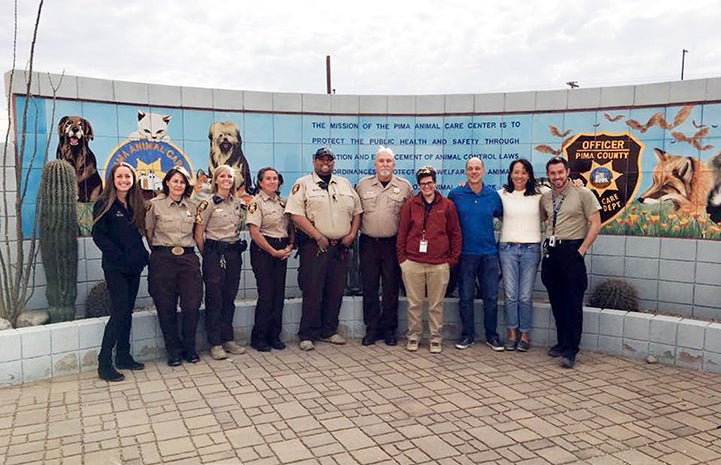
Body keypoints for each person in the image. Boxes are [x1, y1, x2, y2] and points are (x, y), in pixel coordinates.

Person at [284, 147, 362, 351]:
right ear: (314, 161)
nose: (325, 163)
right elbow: (295, 214)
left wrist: (352, 234)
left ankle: (329, 330)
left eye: (329, 159)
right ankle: (307, 334)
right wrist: (317, 235)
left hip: (341, 247)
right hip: (315, 246)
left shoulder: (344, 183)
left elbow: (357, 212)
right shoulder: (303, 184)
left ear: (333, 162)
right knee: (312, 290)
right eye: (321, 159)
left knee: (336, 290)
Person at [541, 157, 601, 369]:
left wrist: (582, 249)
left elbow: (596, 223)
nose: (556, 177)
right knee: (557, 302)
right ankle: (561, 342)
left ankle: (571, 350)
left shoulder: (583, 193)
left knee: (573, 304)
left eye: (560, 172)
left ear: (567, 172)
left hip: (572, 252)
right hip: (551, 253)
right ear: (548, 175)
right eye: (552, 173)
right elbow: (546, 219)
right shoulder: (546, 197)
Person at [91, 162, 149, 382]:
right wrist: (119, 255)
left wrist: (142, 255)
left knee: (128, 311)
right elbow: (99, 236)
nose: (124, 180)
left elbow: (137, 234)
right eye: (120, 177)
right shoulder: (104, 204)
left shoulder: (135, 203)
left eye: (128, 176)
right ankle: (104, 362)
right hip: (116, 268)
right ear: (112, 179)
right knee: (119, 312)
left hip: (133, 267)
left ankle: (123, 356)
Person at [397, 166, 461, 354]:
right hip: (413, 262)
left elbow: (455, 233)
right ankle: (414, 336)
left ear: (435, 183)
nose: (427, 186)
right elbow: (402, 232)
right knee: (414, 303)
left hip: (439, 263)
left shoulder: (447, 205)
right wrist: (402, 259)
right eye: (423, 183)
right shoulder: (410, 205)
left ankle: (435, 338)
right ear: (418, 185)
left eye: (430, 183)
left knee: (435, 305)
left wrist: (452, 259)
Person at [145, 166, 203, 367]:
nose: (178, 185)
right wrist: (162, 252)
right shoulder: (154, 205)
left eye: (182, 182)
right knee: (165, 306)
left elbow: (197, 232)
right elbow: (149, 232)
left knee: (191, 305)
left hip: (187, 259)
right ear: (167, 183)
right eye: (175, 181)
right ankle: (173, 351)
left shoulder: (194, 206)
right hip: (163, 259)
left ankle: (190, 348)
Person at [356, 146, 413, 346]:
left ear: (394, 164)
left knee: (390, 287)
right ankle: (372, 329)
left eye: (388, 161)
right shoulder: (363, 185)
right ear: (375, 164)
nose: (385, 164)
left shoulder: (405, 187)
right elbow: (356, 214)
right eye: (381, 161)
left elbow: (410, 218)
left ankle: (390, 330)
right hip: (369, 242)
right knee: (369, 287)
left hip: (392, 244)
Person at [448, 157, 504, 351]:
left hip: (488, 254)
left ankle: (492, 336)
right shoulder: (455, 194)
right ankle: (467, 335)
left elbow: (504, 217)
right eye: (470, 169)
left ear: (483, 170)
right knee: (465, 297)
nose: (474, 172)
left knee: (491, 296)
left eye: (477, 168)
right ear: (465, 171)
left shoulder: (493, 195)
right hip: (465, 255)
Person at [194, 164, 247, 360]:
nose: (227, 179)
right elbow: (199, 233)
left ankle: (228, 339)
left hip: (233, 253)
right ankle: (215, 342)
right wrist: (208, 254)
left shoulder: (236, 203)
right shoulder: (207, 203)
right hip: (214, 254)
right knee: (215, 298)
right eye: (223, 176)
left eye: (230, 177)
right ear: (216, 179)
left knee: (229, 297)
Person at [497, 159, 544, 352]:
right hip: (507, 249)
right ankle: (511, 335)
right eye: (516, 172)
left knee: (525, 296)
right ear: (510, 174)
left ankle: (524, 335)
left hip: (531, 250)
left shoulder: (541, 194)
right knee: (510, 295)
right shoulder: (501, 195)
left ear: (529, 175)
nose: (519, 176)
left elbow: (562, 191)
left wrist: (578, 184)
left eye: (524, 172)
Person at [247, 167, 294, 352]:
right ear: (260, 182)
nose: (272, 181)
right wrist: (273, 251)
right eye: (268, 178)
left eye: (275, 178)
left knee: (278, 295)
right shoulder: (256, 203)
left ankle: (274, 336)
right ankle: (259, 338)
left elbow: (290, 226)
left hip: (281, 249)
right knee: (266, 295)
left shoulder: (282, 203)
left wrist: (290, 244)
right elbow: (254, 232)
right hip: (263, 250)